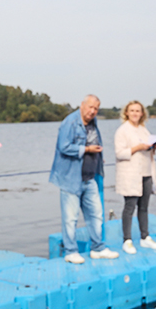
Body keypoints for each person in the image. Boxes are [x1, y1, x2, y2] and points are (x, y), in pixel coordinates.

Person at [49, 95, 119, 264]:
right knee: (70, 218)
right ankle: (71, 251)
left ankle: (98, 248)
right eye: (90, 107)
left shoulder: (93, 122)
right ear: (82, 105)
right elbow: (63, 147)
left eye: (96, 109)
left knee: (96, 214)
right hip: (71, 179)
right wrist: (87, 149)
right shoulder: (70, 122)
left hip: (90, 178)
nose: (93, 111)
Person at [114, 100, 156, 255]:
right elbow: (120, 153)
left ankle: (145, 237)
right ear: (126, 113)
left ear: (142, 114)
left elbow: (147, 148)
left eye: (138, 111)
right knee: (129, 207)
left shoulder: (143, 130)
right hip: (131, 174)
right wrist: (137, 148)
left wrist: (154, 146)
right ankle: (127, 240)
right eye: (132, 110)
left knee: (144, 207)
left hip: (146, 172)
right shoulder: (122, 131)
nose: (135, 113)